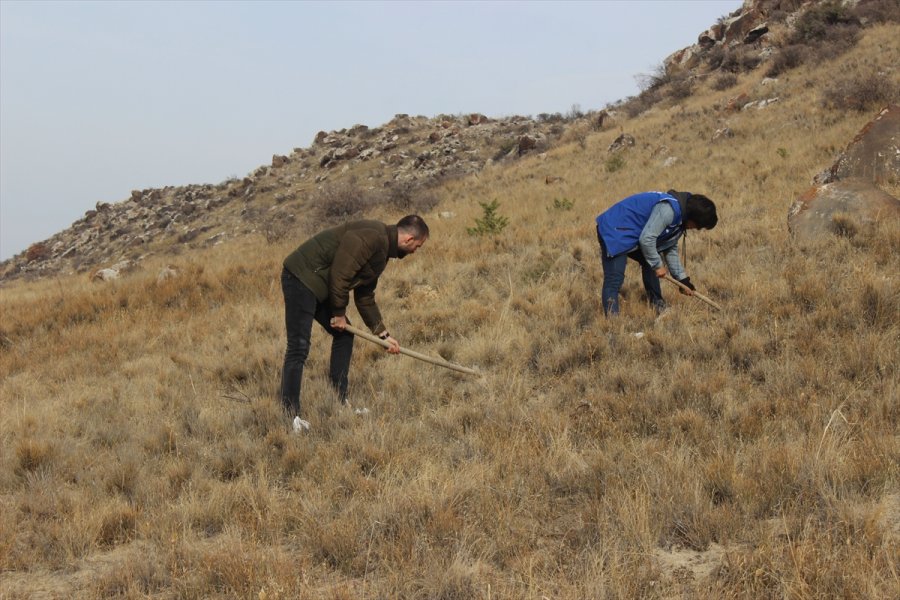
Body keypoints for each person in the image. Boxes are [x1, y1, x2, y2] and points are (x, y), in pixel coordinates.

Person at [280, 215, 429, 432]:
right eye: (418, 246)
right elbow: (340, 275)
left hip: (319, 284)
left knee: (344, 335)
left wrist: (384, 336)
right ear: (408, 239)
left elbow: (365, 296)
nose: (416, 251)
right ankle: (290, 416)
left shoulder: (382, 252)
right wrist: (339, 313)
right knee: (298, 347)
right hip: (300, 277)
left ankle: (340, 403)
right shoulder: (372, 237)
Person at [595, 190, 717, 316]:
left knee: (651, 261)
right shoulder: (669, 210)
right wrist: (658, 265)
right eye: (698, 226)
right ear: (693, 217)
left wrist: (683, 280)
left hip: (635, 234)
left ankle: (658, 304)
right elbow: (647, 239)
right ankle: (612, 319)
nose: (696, 229)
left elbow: (670, 247)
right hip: (615, 229)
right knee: (614, 279)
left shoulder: (680, 220)